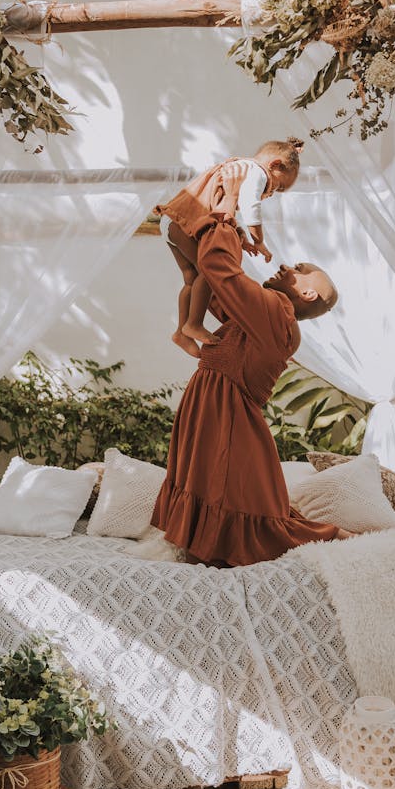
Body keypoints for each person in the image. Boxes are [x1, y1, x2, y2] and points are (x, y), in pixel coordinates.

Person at [151, 163, 351, 567]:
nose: (285, 267)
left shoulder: (278, 313)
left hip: (226, 417)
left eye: (298, 270)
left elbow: (223, 273)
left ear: (308, 293)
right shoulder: (268, 314)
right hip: (213, 408)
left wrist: (222, 218)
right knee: (211, 493)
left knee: (236, 506)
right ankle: (201, 556)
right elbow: (219, 293)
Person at [156, 138, 303, 357]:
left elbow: (224, 209)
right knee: (210, 271)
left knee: (191, 278)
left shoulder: (239, 167)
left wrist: (240, 236)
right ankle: (193, 324)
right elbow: (249, 205)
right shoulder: (257, 171)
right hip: (187, 223)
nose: (271, 193)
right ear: (275, 165)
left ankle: (181, 332)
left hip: (173, 221)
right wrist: (258, 240)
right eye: (278, 186)